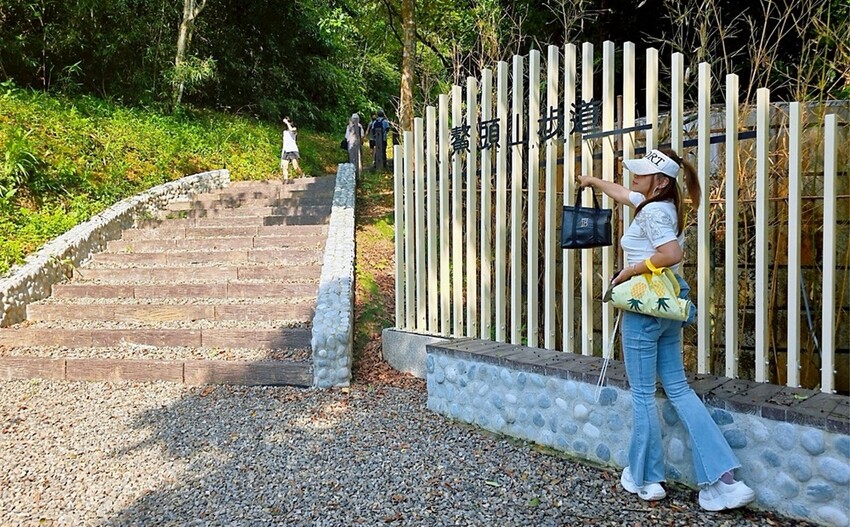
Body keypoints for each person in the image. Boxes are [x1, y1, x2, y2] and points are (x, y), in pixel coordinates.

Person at [577, 148, 755, 512]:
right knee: (679, 389)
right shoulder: (658, 203)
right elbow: (623, 194)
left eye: (641, 173)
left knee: (642, 394)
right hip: (666, 308)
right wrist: (593, 181)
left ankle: (647, 478)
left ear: (659, 181)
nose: (634, 178)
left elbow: (671, 254)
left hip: (644, 310)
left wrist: (628, 271)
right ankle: (723, 481)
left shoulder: (655, 211)